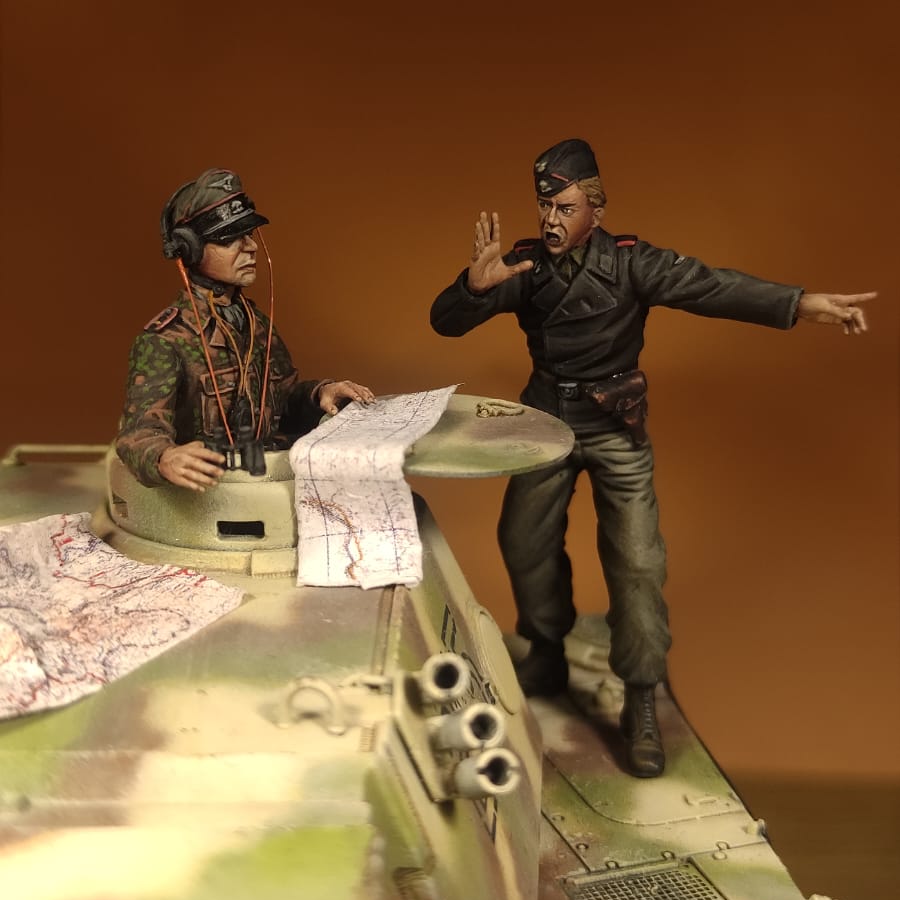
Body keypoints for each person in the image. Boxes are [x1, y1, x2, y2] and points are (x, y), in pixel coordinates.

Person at [430, 138, 875, 778]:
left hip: (615, 426)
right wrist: (474, 288)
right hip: (545, 424)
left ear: (596, 211)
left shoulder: (632, 263)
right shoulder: (525, 267)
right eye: (544, 207)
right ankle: (547, 649)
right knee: (522, 541)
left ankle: (640, 696)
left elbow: (713, 287)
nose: (551, 220)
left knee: (637, 562)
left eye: (565, 208)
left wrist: (801, 303)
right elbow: (445, 323)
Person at [117, 168, 373, 490]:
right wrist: (164, 457)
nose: (250, 247)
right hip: (207, 494)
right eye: (229, 239)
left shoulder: (256, 324)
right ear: (191, 249)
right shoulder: (165, 340)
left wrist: (320, 393)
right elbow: (138, 433)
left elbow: (281, 401)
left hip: (266, 480)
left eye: (249, 234)